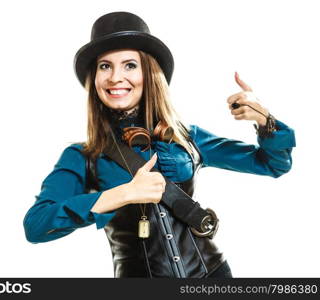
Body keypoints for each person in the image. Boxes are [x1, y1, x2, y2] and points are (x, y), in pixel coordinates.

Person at [23, 12, 295, 278]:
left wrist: (265, 122)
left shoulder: (186, 137)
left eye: (130, 65)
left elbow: (273, 164)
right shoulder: (82, 157)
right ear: (94, 79)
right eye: (105, 66)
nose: (115, 77)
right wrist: (124, 194)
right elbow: (36, 226)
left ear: (149, 73)